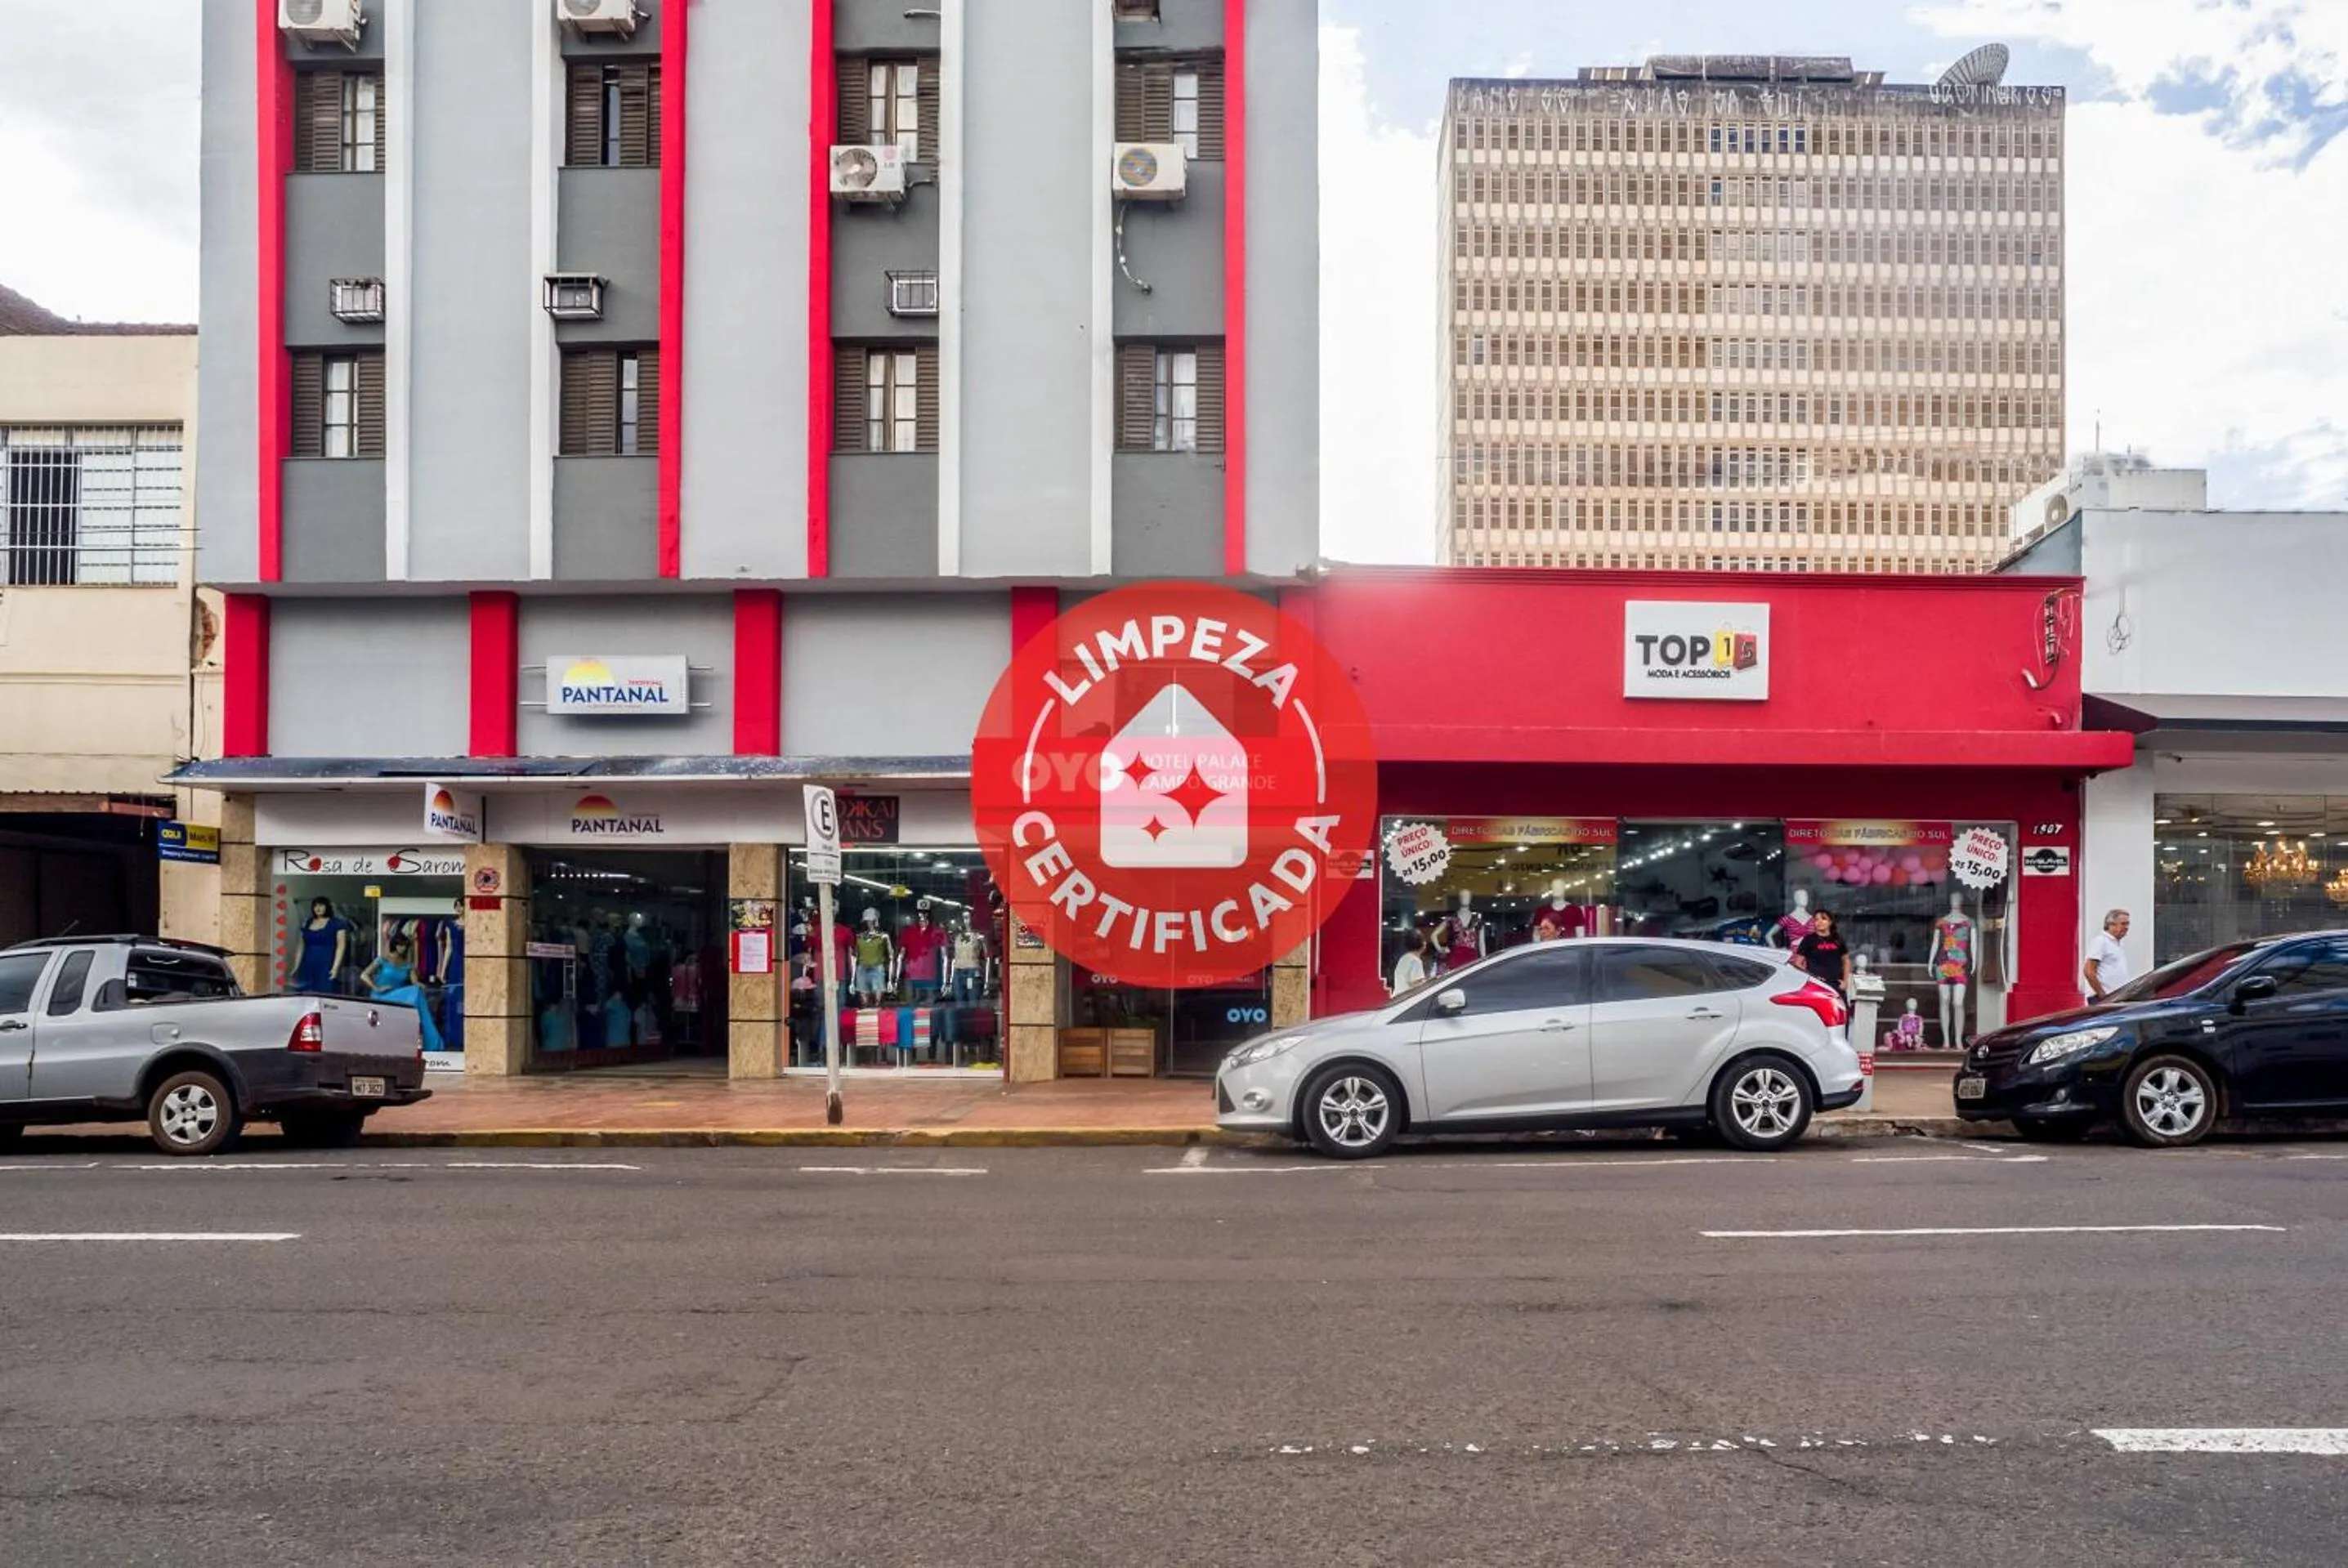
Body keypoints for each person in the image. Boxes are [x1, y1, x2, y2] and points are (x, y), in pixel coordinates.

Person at [362, 936, 445, 1053]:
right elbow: (364, 975)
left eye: (405, 946)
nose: (402, 948)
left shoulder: (407, 964)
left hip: (398, 996)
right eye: (400, 945)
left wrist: (427, 985)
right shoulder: (383, 959)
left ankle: (428, 1038)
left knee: (417, 992)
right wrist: (377, 987)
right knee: (416, 994)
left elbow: (415, 983)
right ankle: (431, 1042)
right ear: (394, 945)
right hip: (381, 996)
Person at [288, 897, 352, 994]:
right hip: (307, 962)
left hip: (326, 962)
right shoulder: (307, 923)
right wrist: (296, 966)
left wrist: (335, 967)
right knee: (305, 991)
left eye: (321, 906)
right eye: (315, 906)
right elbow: (301, 946)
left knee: (325, 991)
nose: (318, 908)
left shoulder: (337, 923)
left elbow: (341, 946)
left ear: (327, 907)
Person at [1790, 909, 1852, 999]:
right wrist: (1811, 978)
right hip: (1816, 985)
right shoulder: (1808, 939)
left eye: (1823, 919)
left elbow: (1846, 961)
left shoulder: (1838, 939)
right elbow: (1797, 964)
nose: (1819, 922)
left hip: (1836, 984)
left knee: (1838, 1011)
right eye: (1816, 919)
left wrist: (1845, 981)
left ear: (1830, 922)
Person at [2083, 909, 2133, 1000]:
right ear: (2111, 925)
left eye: (2128, 924)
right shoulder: (2101, 941)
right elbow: (2089, 971)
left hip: (2118, 997)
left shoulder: (2118, 943)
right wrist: (2101, 994)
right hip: (2104, 998)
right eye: (2123, 924)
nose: (2126, 927)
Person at [1390, 930, 1431, 997]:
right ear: (1423, 944)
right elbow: (1416, 984)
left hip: (1397, 998)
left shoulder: (1404, 958)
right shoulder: (1416, 961)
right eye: (1424, 940)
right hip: (1407, 1000)